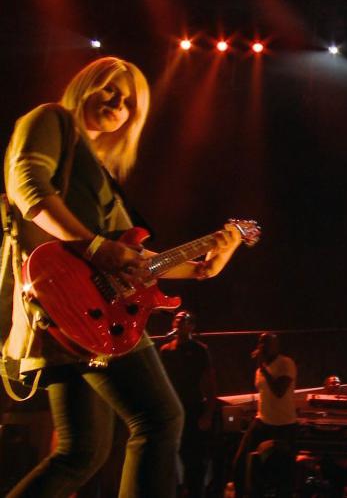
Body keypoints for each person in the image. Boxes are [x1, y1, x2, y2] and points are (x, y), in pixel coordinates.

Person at [1, 56, 243, 497]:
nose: (118, 103)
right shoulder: (51, 119)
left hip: (80, 314)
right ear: (85, 84)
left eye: (129, 101)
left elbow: (133, 260)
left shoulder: (101, 174)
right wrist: (94, 246)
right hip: (67, 301)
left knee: (82, 453)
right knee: (160, 419)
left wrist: (205, 265)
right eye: (110, 88)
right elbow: (28, 187)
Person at [230, 332, 297, 496]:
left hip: (284, 425)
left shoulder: (285, 363)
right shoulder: (261, 369)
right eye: (260, 342)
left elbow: (279, 391)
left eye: (266, 343)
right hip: (262, 421)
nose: (262, 346)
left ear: (276, 346)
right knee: (240, 462)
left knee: (283, 471)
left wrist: (262, 368)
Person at [159, 310, 218, 498]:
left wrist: (208, 413)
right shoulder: (166, 350)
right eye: (176, 320)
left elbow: (209, 382)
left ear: (192, 326)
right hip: (173, 409)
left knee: (194, 460)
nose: (178, 323)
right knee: (171, 458)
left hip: (193, 409)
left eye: (183, 321)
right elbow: (162, 382)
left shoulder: (200, 350)